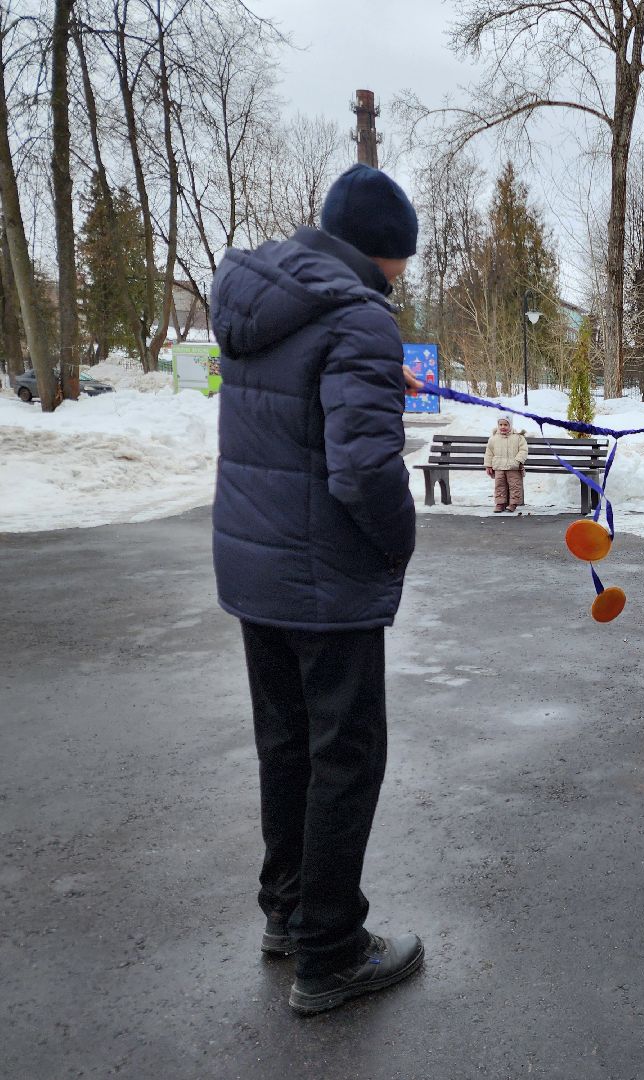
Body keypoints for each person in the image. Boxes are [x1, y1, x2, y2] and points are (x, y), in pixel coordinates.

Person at [211, 162, 425, 1015]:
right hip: (326, 581)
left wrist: (378, 382)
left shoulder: (265, 300)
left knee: (287, 746)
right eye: (402, 260)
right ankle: (331, 952)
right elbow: (363, 468)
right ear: (381, 253)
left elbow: (304, 405)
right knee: (346, 757)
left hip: (257, 570)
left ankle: (288, 913)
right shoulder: (361, 317)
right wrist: (398, 546)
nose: (403, 275)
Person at [484, 415, 528, 512]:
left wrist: (518, 461)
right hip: (499, 466)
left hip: (513, 466)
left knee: (515, 485)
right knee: (499, 485)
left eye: (505, 424)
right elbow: (489, 452)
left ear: (510, 425)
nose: (503, 427)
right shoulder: (494, 438)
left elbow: (523, 450)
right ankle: (500, 503)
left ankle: (513, 503)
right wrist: (488, 465)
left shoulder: (518, 437)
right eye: (501, 424)